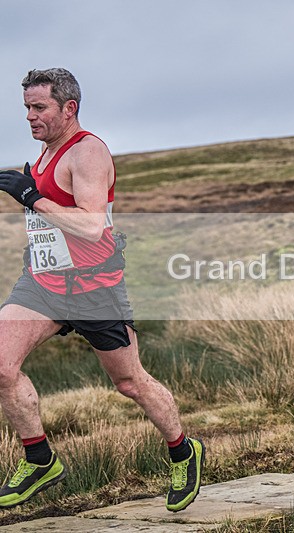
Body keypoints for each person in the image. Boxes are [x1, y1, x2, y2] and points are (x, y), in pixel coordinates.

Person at [0, 68, 204, 512]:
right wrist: (33, 199)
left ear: (68, 108)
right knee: (1, 365)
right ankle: (39, 460)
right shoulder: (42, 153)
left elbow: (94, 227)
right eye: (26, 109)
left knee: (131, 383)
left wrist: (31, 197)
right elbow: (50, 224)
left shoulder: (87, 152)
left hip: (94, 290)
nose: (30, 117)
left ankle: (183, 450)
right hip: (42, 283)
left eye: (40, 108)